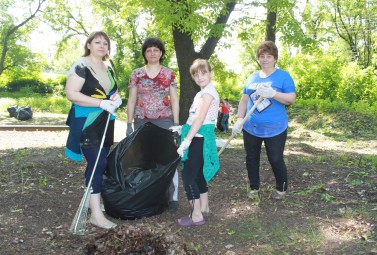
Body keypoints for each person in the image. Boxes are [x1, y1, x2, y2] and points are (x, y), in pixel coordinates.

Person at [65, 31, 121, 229]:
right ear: (89, 44)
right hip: (87, 121)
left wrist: (115, 99)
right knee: (98, 163)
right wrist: (100, 103)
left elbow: (111, 92)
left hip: (106, 121)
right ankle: (96, 215)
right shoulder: (81, 65)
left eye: (105, 43)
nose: (102, 45)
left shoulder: (107, 68)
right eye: (97, 42)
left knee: (100, 162)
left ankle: (93, 202)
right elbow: (71, 93)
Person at [232, 41, 296, 202]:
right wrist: (239, 120)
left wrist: (273, 93)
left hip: (275, 127)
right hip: (251, 127)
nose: (265, 59)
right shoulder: (252, 77)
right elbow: (244, 101)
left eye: (269, 56)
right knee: (251, 158)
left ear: (275, 58)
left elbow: (291, 99)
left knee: (275, 158)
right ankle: (254, 188)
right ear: (258, 59)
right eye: (262, 56)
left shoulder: (283, 76)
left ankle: (281, 188)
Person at [126, 37, 180, 211]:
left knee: (167, 158)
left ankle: (173, 197)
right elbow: (132, 99)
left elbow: (174, 100)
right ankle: (148, 196)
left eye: (156, 50)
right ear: (145, 54)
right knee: (144, 159)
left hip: (164, 120)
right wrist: (128, 123)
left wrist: (177, 124)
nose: (152, 53)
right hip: (142, 120)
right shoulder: (137, 74)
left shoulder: (169, 74)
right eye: (149, 50)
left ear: (161, 53)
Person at [172, 59, 220, 227]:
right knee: (198, 174)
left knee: (189, 176)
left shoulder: (208, 93)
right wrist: (183, 128)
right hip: (198, 136)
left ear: (211, 73)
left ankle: (196, 214)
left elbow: (200, 119)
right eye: (196, 74)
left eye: (203, 72)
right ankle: (204, 207)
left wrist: (186, 141)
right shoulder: (203, 92)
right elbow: (195, 117)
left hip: (199, 138)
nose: (200, 77)